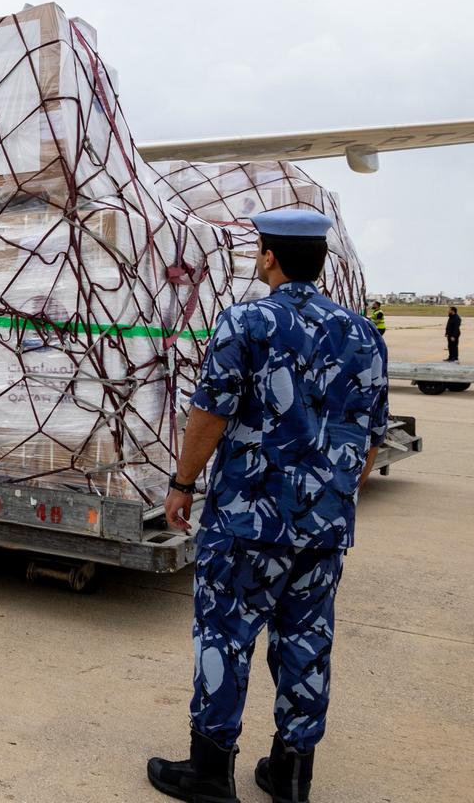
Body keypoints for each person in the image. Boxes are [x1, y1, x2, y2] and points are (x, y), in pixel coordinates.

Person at [148, 208, 388, 803]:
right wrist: (331, 498)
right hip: (323, 527)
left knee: (225, 636)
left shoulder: (246, 322)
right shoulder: (364, 334)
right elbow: (370, 439)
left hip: (247, 522)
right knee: (306, 644)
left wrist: (182, 483)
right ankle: (291, 775)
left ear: (270, 256)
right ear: (321, 260)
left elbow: (211, 412)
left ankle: (210, 771)